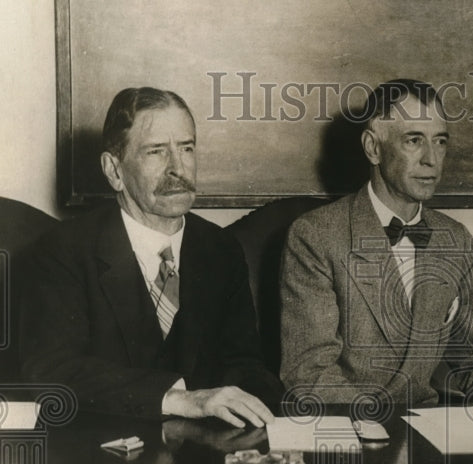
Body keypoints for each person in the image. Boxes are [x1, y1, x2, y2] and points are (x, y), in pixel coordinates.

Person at [20, 87, 281, 426]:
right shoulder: (63, 250)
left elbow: (244, 363)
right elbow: (50, 372)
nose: (178, 168)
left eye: (186, 148)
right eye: (156, 152)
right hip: (100, 452)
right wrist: (176, 399)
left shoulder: (220, 248)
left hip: (200, 457)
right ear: (114, 170)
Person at [280, 79, 473, 408]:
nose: (432, 160)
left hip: (429, 435)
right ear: (373, 148)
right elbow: (309, 374)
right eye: (414, 140)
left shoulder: (455, 239)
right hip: (351, 433)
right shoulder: (315, 236)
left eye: (440, 142)